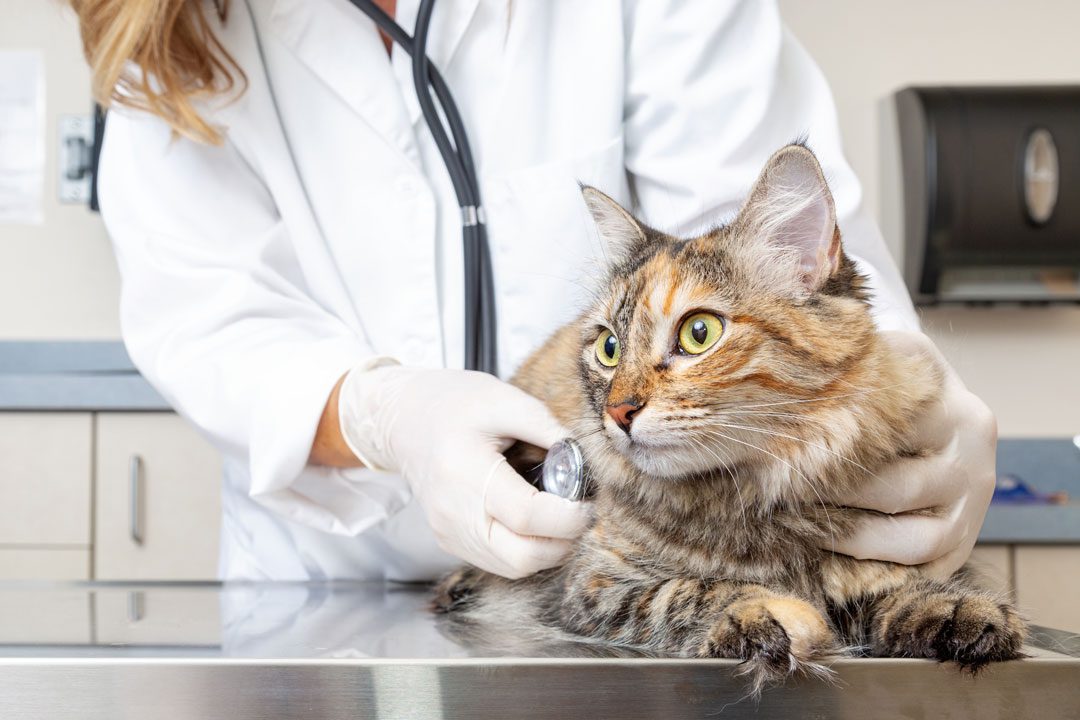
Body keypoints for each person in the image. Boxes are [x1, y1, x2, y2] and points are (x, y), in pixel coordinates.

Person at [74, 0, 997, 582]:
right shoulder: (162, 28)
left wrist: (896, 393)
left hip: (639, 572)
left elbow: (763, 239)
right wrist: (388, 415)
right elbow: (212, 321)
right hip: (331, 587)